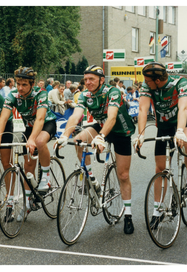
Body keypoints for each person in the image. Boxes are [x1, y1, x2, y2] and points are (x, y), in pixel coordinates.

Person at [56, 65, 135, 235]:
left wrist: (101, 136)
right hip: (100, 126)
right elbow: (76, 116)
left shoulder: (112, 91)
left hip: (121, 130)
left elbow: (112, 116)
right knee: (78, 140)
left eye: (91, 79)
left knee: (123, 175)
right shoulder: (85, 94)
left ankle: (128, 214)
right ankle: (92, 179)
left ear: (101, 80)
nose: (88, 82)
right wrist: (64, 135)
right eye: (86, 79)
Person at [134, 62, 187, 228]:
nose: (145, 82)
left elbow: (183, 108)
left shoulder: (180, 82)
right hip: (163, 125)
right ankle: (157, 210)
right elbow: (143, 109)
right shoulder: (147, 86)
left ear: (157, 80)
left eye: (148, 80)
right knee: (160, 169)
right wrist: (140, 135)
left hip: (183, 121)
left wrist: (180, 130)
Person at [0, 67, 57, 221]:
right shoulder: (13, 95)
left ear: (32, 84)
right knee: (28, 167)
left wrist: (32, 139)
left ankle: (46, 177)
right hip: (29, 127)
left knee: (39, 141)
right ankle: (27, 203)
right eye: (18, 84)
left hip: (47, 123)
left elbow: (40, 119)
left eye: (24, 84)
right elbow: (3, 118)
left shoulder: (41, 94)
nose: (20, 87)